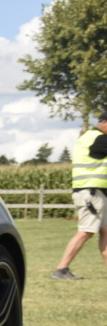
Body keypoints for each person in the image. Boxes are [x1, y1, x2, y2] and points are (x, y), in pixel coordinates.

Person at [52, 112, 107, 279]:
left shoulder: (89, 137)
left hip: (96, 192)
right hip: (91, 193)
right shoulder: (99, 138)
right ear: (104, 123)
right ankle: (61, 269)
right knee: (86, 231)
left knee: (105, 231)